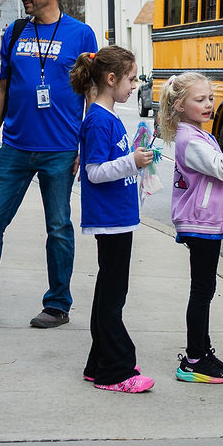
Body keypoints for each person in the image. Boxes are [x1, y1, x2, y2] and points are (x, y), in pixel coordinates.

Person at [0, 0, 99, 328]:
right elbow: (3, 87)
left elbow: (91, 92)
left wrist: (84, 144)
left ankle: (57, 305)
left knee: (57, 226)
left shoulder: (81, 34)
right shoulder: (15, 31)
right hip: (16, 147)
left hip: (61, 148)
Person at [162, 72, 223, 384]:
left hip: (205, 221)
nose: (208, 105)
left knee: (205, 289)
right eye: (199, 100)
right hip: (199, 222)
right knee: (202, 291)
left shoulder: (196, 134)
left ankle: (202, 351)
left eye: (210, 99)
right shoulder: (190, 140)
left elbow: (218, 168)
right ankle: (193, 360)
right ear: (179, 105)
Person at [73, 45, 154, 393]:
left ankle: (98, 363)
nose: (135, 85)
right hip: (110, 220)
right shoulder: (97, 120)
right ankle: (115, 369)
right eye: (131, 79)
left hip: (119, 217)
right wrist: (131, 162)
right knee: (112, 296)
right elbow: (93, 171)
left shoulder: (108, 116)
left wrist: (137, 166)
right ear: (111, 79)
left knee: (110, 290)